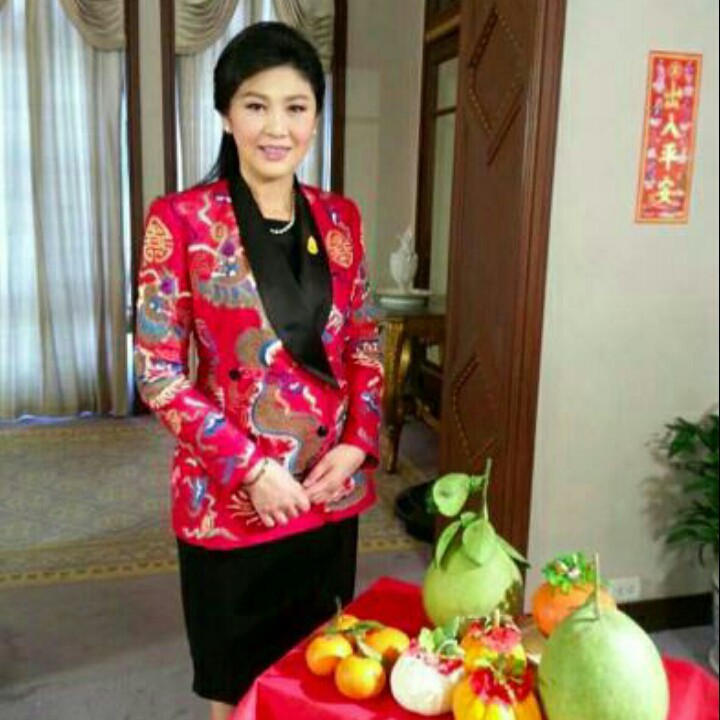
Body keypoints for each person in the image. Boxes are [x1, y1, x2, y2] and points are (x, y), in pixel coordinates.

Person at [134, 21, 383, 720]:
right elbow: (158, 371)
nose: (277, 127)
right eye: (256, 105)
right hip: (232, 502)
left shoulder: (340, 218)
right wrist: (250, 470)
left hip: (327, 489)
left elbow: (364, 339)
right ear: (226, 114)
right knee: (236, 684)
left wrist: (357, 443)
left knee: (318, 673)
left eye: (295, 107)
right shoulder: (181, 221)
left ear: (315, 118)